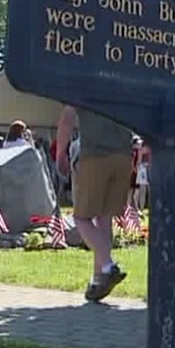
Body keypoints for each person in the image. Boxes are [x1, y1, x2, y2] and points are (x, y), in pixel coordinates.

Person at [55, 104, 130, 302]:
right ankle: (98, 281)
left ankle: (108, 267)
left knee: (81, 217)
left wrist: (60, 153)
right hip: (124, 156)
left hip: (96, 154)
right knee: (104, 218)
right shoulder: (124, 82)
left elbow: (67, 119)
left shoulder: (84, 81)